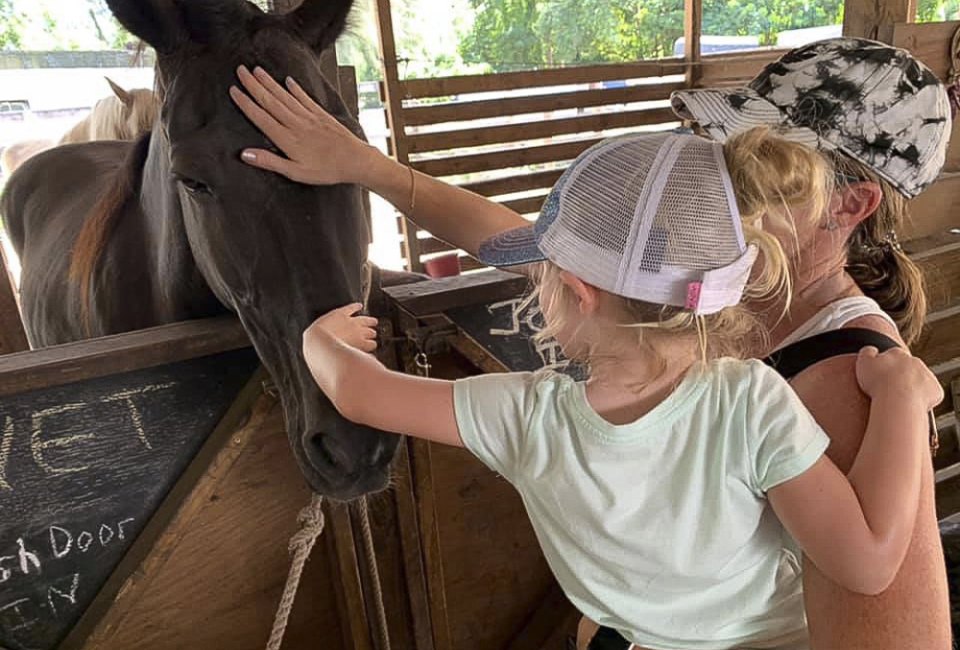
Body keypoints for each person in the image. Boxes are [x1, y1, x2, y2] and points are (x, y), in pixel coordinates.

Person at [228, 34, 952, 648]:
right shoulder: (708, 284)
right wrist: (366, 167)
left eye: (760, 165)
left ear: (851, 205)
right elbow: (520, 244)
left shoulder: (851, 379)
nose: (721, 177)